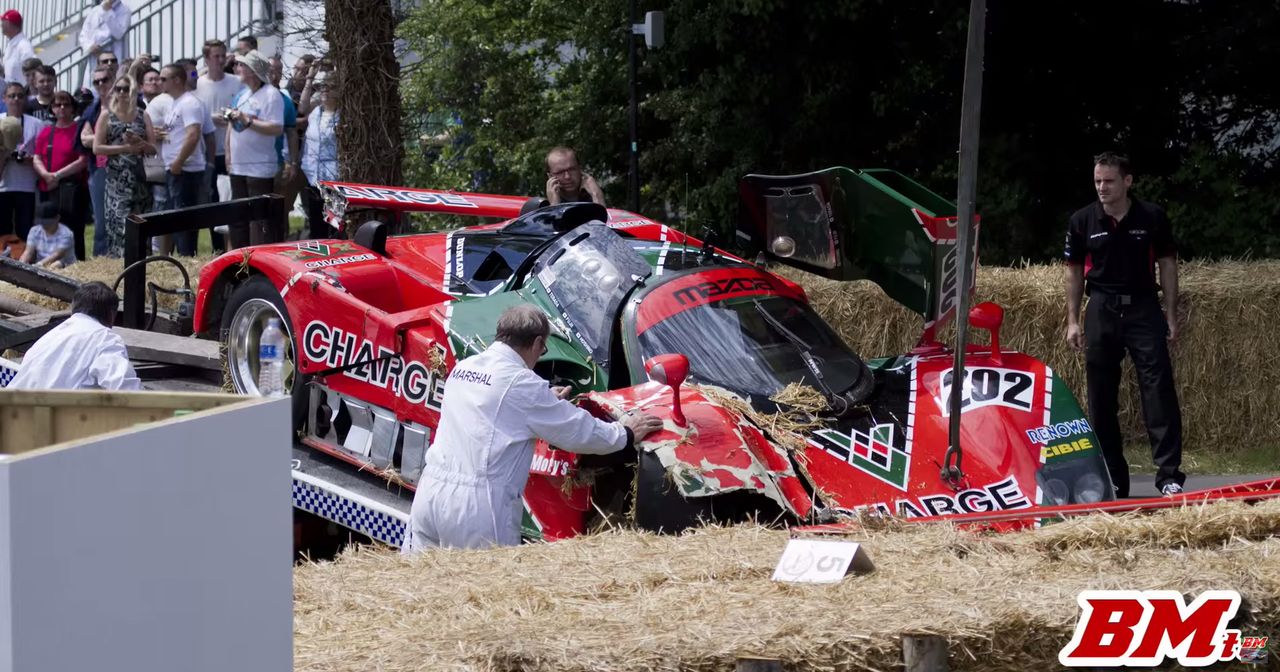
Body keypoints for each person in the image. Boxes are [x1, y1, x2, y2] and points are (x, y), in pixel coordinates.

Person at [404, 305, 664, 551]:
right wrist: (625, 433)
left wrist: (545, 401)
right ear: (538, 343)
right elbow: (577, 431)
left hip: (430, 494)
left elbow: (494, 409)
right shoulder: (521, 383)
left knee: (420, 585)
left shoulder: (465, 368)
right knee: (486, 590)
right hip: (476, 507)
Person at [1065, 151, 1185, 498]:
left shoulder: (1152, 217)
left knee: (1158, 389)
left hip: (1144, 307)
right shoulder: (1082, 220)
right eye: (1097, 181)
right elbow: (1073, 272)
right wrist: (1073, 320)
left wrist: (1171, 314)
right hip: (1101, 308)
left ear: (1127, 181)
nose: (1102, 187)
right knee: (1101, 397)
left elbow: (1168, 265)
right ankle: (1114, 479)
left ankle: (1169, 477)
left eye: (1109, 181)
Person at [8, 281, 140, 390]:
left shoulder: (49, 337)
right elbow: (125, 388)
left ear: (73, 307)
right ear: (112, 315)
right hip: (55, 418)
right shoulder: (105, 338)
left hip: (14, 414)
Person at [224, 50, 283, 248]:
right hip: (238, 166)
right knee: (238, 216)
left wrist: (247, 120)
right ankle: (239, 261)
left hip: (259, 166)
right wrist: (228, 154)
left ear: (254, 70)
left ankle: (259, 259)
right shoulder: (242, 94)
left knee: (259, 220)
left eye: (243, 66)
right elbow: (231, 126)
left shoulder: (272, 95)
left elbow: (277, 127)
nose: (238, 69)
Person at [93, 75, 154, 257]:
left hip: (139, 179)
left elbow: (153, 148)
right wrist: (124, 148)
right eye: (118, 89)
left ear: (133, 91)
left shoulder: (143, 115)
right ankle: (119, 264)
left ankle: (142, 263)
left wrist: (140, 143)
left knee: (141, 224)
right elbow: (97, 147)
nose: (121, 92)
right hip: (116, 180)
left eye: (125, 89)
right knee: (119, 226)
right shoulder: (107, 116)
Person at [32, 89, 90, 261]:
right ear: (52, 109)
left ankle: (77, 264)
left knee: (74, 231)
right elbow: (36, 157)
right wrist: (45, 174)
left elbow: (83, 160)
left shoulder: (78, 131)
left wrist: (56, 176)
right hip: (49, 189)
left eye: (66, 104)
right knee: (49, 229)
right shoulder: (46, 132)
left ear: (73, 108)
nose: (62, 108)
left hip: (73, 190)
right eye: (57, 105)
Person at [156, 63, 206, 253]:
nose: (160, 83)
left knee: (183, 220)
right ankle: (179, 256)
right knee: (175, 218)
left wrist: (178, 162)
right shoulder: (174, 103)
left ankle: (186, 256)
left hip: (186, 170)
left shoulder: (189, 103)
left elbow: (193, 134)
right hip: (175, 168)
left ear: (177, 80)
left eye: (163, 79)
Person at [0, 82, 48, 244]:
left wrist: (29, 158)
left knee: (25, 230)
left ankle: (24, 264)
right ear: (4, 99)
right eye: (12, 96)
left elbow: (42, 156)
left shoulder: (36, 124)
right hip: (3, 185)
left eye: (20, 96)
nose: (16, 99)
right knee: (2, 231)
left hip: (26, 185)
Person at [299, 73, 337, 239]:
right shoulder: (315, 113)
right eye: (323, 87)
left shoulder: (342, 115)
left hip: (334, 179)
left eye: (331, 87)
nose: (326, 91)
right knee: (316, 225)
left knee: (333, 224)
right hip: (313, 177)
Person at [78, 0, 132, 91]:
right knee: (93, 86)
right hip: (95, 57)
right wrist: (89, 46)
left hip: (114, 57)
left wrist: (107, 11)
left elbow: (118, 32)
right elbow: (83, 35)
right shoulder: (95, 11)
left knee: (114, 85)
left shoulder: (124, 10)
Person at [19, 199, 75, 268]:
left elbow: (57, 254)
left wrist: (38, 265)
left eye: (48, 223)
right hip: (41, 264)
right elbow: (28, 252)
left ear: (57, 218)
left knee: (56, 264)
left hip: (63, 264)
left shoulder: (66, 234)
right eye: (42, 222)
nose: (44, 225)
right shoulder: (34, 230)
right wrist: (21, 264)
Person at [0, 10, 33, 85]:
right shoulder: (11, 44)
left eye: (4, 22)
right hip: (11, 91)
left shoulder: (24, 45)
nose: (1, 25)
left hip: (21, 93)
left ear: (12, 25)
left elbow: (32, 69)